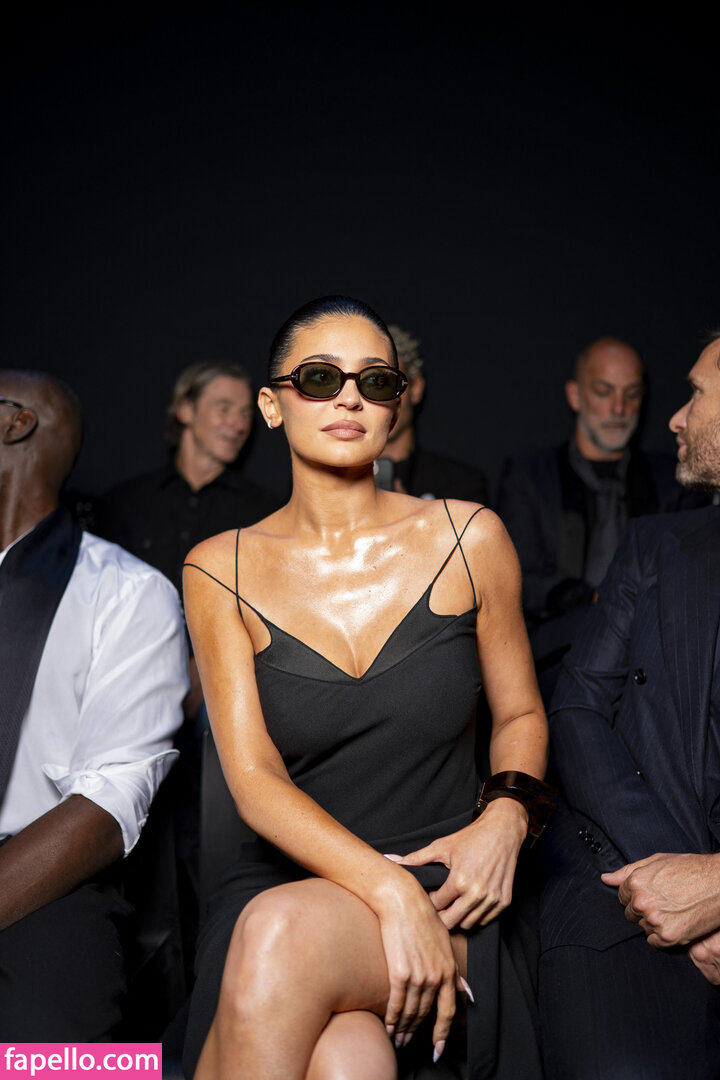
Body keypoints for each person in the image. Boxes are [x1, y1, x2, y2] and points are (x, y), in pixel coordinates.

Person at [181, 296, 551, 1080]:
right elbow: (253, 777)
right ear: (272, 406)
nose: (349, 398)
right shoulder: (218, 567)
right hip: (289, 875)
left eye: (375, 381)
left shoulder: (469, 536)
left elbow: (521, 711)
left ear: (396, 405)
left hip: (447, 879)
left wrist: (507, 816)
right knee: (348, 1061)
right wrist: (388, 892)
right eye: (320, 378)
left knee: (277, 938)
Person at [538, 333, 720, 1078]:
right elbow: (577, 709)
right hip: (633, 877)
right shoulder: (656, 545)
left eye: (697, 394)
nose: (673, 417)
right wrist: (669, 873)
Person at [0, 370, 188, 1040]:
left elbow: (109, 801)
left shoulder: (128, 594)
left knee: (55, 1053)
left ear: (15, 422)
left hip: (43, 886)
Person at [496, 336, 701, 697]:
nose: (619, 408)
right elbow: (513, 577)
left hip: (651, 665)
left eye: (631, 394)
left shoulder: (671, 479)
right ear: (575, 395)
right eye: (604, 392)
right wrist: (590, 599)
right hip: (554, 661)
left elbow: (688, 582)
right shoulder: (531, 476)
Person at [102, 360, 279, 597]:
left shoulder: (265, 513)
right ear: (185, 409)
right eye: (224, 408)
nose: (239, 425)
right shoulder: (127, 502)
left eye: (246, 414)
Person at [373, 324, 489, 502]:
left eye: (390, 382)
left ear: (416, 388)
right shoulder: (331, 482)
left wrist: (409, 513)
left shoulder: (459, 484)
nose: (381, 398)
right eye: (370, 384)